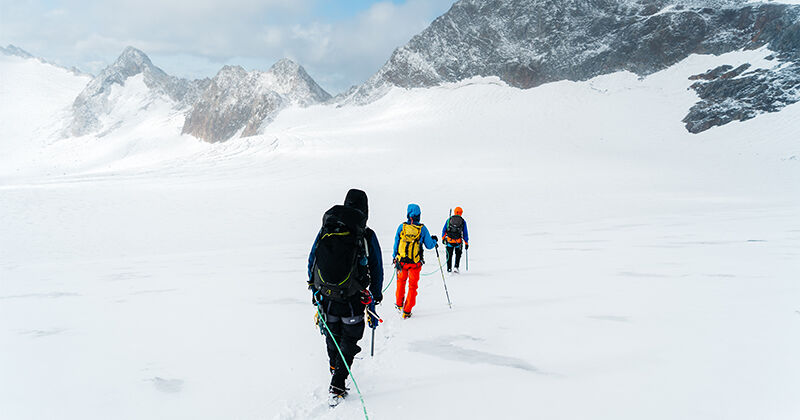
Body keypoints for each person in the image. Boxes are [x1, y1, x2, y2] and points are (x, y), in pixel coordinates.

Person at [307, 189, 383, 406]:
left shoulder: (328, 228)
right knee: (349, 338)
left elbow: (313, 257)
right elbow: (376, 267)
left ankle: (335, 368)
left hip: (326, 296)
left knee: (331, 333)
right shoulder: (366, 234)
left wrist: (314, 287)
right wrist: (375, 296)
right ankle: (338, 381)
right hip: (353, 299)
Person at [392, 203, 438, 318]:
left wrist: (394, 257)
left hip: (401, 262)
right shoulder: (422, 229)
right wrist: (434, 241)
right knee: (412, 286)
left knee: (400, 283)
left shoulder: (401, 227)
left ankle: (399, 304)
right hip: (415, 264)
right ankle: (407, 311)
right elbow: (429, 245)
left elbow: (396, 244)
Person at [442, 206, 469, 273]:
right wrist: (466, 242)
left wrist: (443, 238)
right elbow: (465, 233)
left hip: (449, 241)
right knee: (458, 254)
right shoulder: (463, 221)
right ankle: (456, 267)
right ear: (461, 213)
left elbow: (444, 230)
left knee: (449, 255)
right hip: (458, 242)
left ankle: (449, 269)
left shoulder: (449, 220)